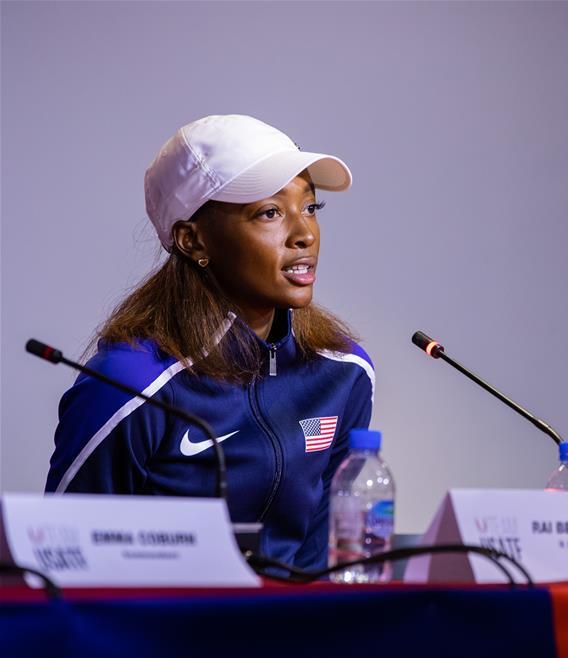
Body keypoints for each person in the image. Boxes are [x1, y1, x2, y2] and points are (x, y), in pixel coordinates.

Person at [45, 114, 374, 572]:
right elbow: (62, 561)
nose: (304, 234)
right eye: (270, 212)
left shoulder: (343, 371)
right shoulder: (131, 383)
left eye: (311, 207)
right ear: (192, 239)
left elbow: (322, 561)